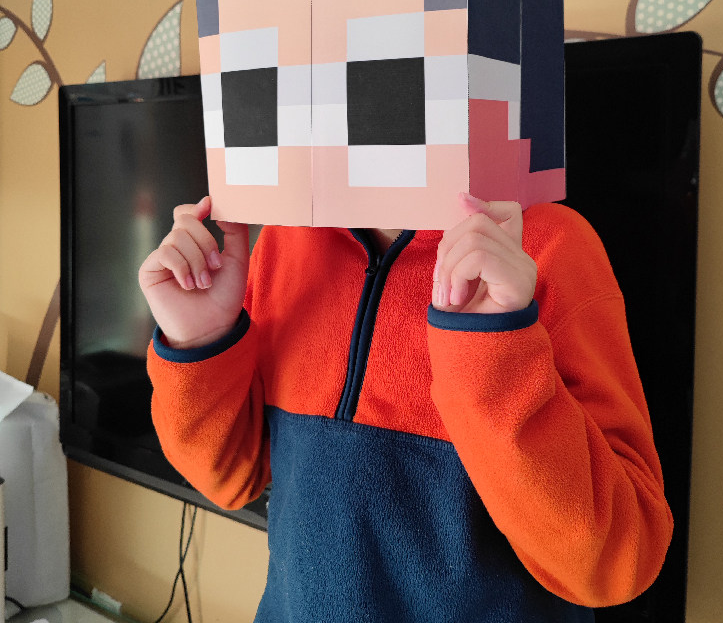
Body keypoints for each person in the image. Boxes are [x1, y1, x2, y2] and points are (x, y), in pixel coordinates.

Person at [139, 192, 673, 621]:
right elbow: (231, 478)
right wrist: (199, 342)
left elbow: (618, 564)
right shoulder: (286, 237)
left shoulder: (550, 244)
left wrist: (493, 348)